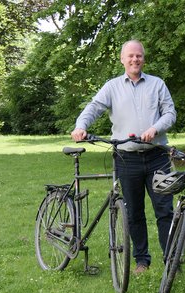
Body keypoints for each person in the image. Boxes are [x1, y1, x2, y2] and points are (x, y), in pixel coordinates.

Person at [71, 40, 177, 274]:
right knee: (133, 212)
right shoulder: (112, 87)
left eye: (138, 56)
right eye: (130, 56)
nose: (134, 60)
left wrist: (155, 129)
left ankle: (171, 260)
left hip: (157, 156)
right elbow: (94, 107)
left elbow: (170, 113)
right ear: (122, 59)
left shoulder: (157, 84)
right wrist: (81, 126)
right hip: (126, 158)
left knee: (165, 210)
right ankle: (142, 261)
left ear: (143, 59)